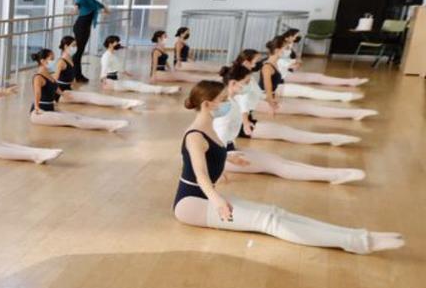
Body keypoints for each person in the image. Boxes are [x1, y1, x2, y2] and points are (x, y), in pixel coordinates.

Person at [171, 79, 402, 254]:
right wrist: (218, 200)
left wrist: (228, 157)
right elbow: (200, 175)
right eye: (223, 100)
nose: (228, 103)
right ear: (207, 104)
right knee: (268, 222)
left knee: (274, 212)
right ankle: (358, 243)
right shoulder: (195, 135)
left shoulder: (208, 126)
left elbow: (209, 155)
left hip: (204, 198)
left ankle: (358, 235)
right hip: (191, 204)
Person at [214, 64, 365, 184]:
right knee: (276, 165)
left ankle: (333, 172)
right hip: (222, 158)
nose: (249, 85)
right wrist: (217, 170)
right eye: (246, 83)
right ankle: (333, 175)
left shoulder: (231, 101)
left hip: (229, 151)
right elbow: (209, 141)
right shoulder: (225, 107)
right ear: (233, 83)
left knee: (277, 160)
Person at [231, 49, 360, 146]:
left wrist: (270, 102)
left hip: (245, 120)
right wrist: (246, 123)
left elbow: (257, 93)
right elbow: (242, 103)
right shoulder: (240, 78)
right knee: (285, 132)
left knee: (285, 130)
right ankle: (332, 138)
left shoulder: (247, 76)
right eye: (256, 61)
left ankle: (332, 137)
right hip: (239, 125)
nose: (260, 62)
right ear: (247, 62)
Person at [258, 39, 377, 120]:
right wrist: (271, 104)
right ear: (278, 50)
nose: (288, 50)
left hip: (278, 90)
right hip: (272, 93)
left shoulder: (274, 63)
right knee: (309, 107)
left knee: (310, 95)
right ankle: (352, 111)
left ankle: (347, 102)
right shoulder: (267, 66)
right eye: (285, 48)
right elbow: (267, 88)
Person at [30, 49, 128, 132]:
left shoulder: (48, 74)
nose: (53, 61)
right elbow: (37, 93)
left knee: (77, 116)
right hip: (39, 113)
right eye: (51, 59)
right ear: (43, 61)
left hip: (50, 108)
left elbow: (53, 86)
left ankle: (107, 123)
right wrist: (37, 108)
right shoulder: (38, 77)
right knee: (72, 120)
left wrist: (62, 94)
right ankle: (107, 126)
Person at [53, 36, 142, 109]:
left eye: (75, 45)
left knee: (92, 97)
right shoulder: (61, 62)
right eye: (73, 45)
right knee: (92, 97)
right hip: (61, 94)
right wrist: (60, 93)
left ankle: (124, 102)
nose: (75, 47)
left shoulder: (70, 59)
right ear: (65, 46)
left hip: (67, 89)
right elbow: (53, 81)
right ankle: (125, 103)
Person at [279, 29, 368, 88]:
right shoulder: (281, 48)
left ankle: (349, 81)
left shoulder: (288, 47)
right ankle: (350, 82)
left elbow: (291, 64)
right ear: (287, 37)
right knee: (317, 78)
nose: (296, 39)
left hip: (284, 73)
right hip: (282, 76)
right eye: (295, 36)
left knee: (317, 77)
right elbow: (284, 64)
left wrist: (295, 61)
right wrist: (294, 63)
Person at [99, 35, 181, 95]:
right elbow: (104, 68)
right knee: (137, 86)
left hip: (114, 81)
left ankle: (165, 89)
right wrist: (103, 81)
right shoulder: (106, 56)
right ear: (110, 44)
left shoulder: (112, 55)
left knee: (137, 85)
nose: (118, 43)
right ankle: (165, 90)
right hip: (110, 83)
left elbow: (117, 67)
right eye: (116, 42)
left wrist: (127, 73)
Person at [71, 0, 108, 83]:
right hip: (81, 26)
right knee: (78, 52)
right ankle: (77, 75)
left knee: (79, 51)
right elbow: (77, 3)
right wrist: (75, 8)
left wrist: (104, 8)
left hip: (85, 26)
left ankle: (76, 74)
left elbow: (96, 4)